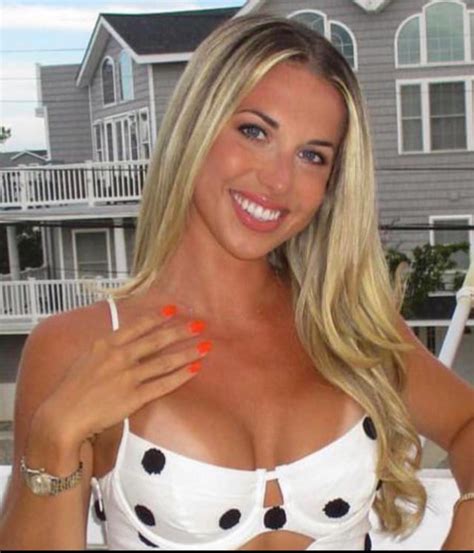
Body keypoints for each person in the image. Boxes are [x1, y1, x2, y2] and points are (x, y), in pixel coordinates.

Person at [0, 15, 473, 551]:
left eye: (311, 156)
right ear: (196, 128)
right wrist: (55, 437)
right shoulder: (79, 346)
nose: (278, 181)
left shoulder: (342, 325)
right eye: (254, 132)